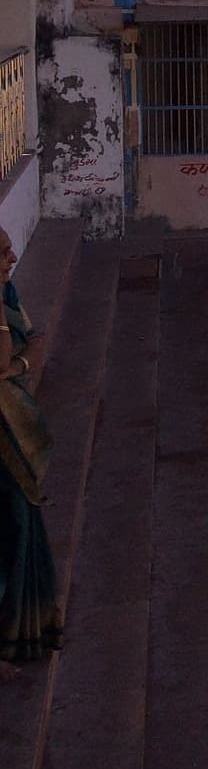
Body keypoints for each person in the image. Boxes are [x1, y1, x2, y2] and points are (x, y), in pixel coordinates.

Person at [0, 231, 60, 665]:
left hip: (12, 422)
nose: (13, 256)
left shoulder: (8, 293)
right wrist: (19, 359)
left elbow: (36, 342)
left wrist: (21, 360)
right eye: (2, 252)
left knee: (23, 524)